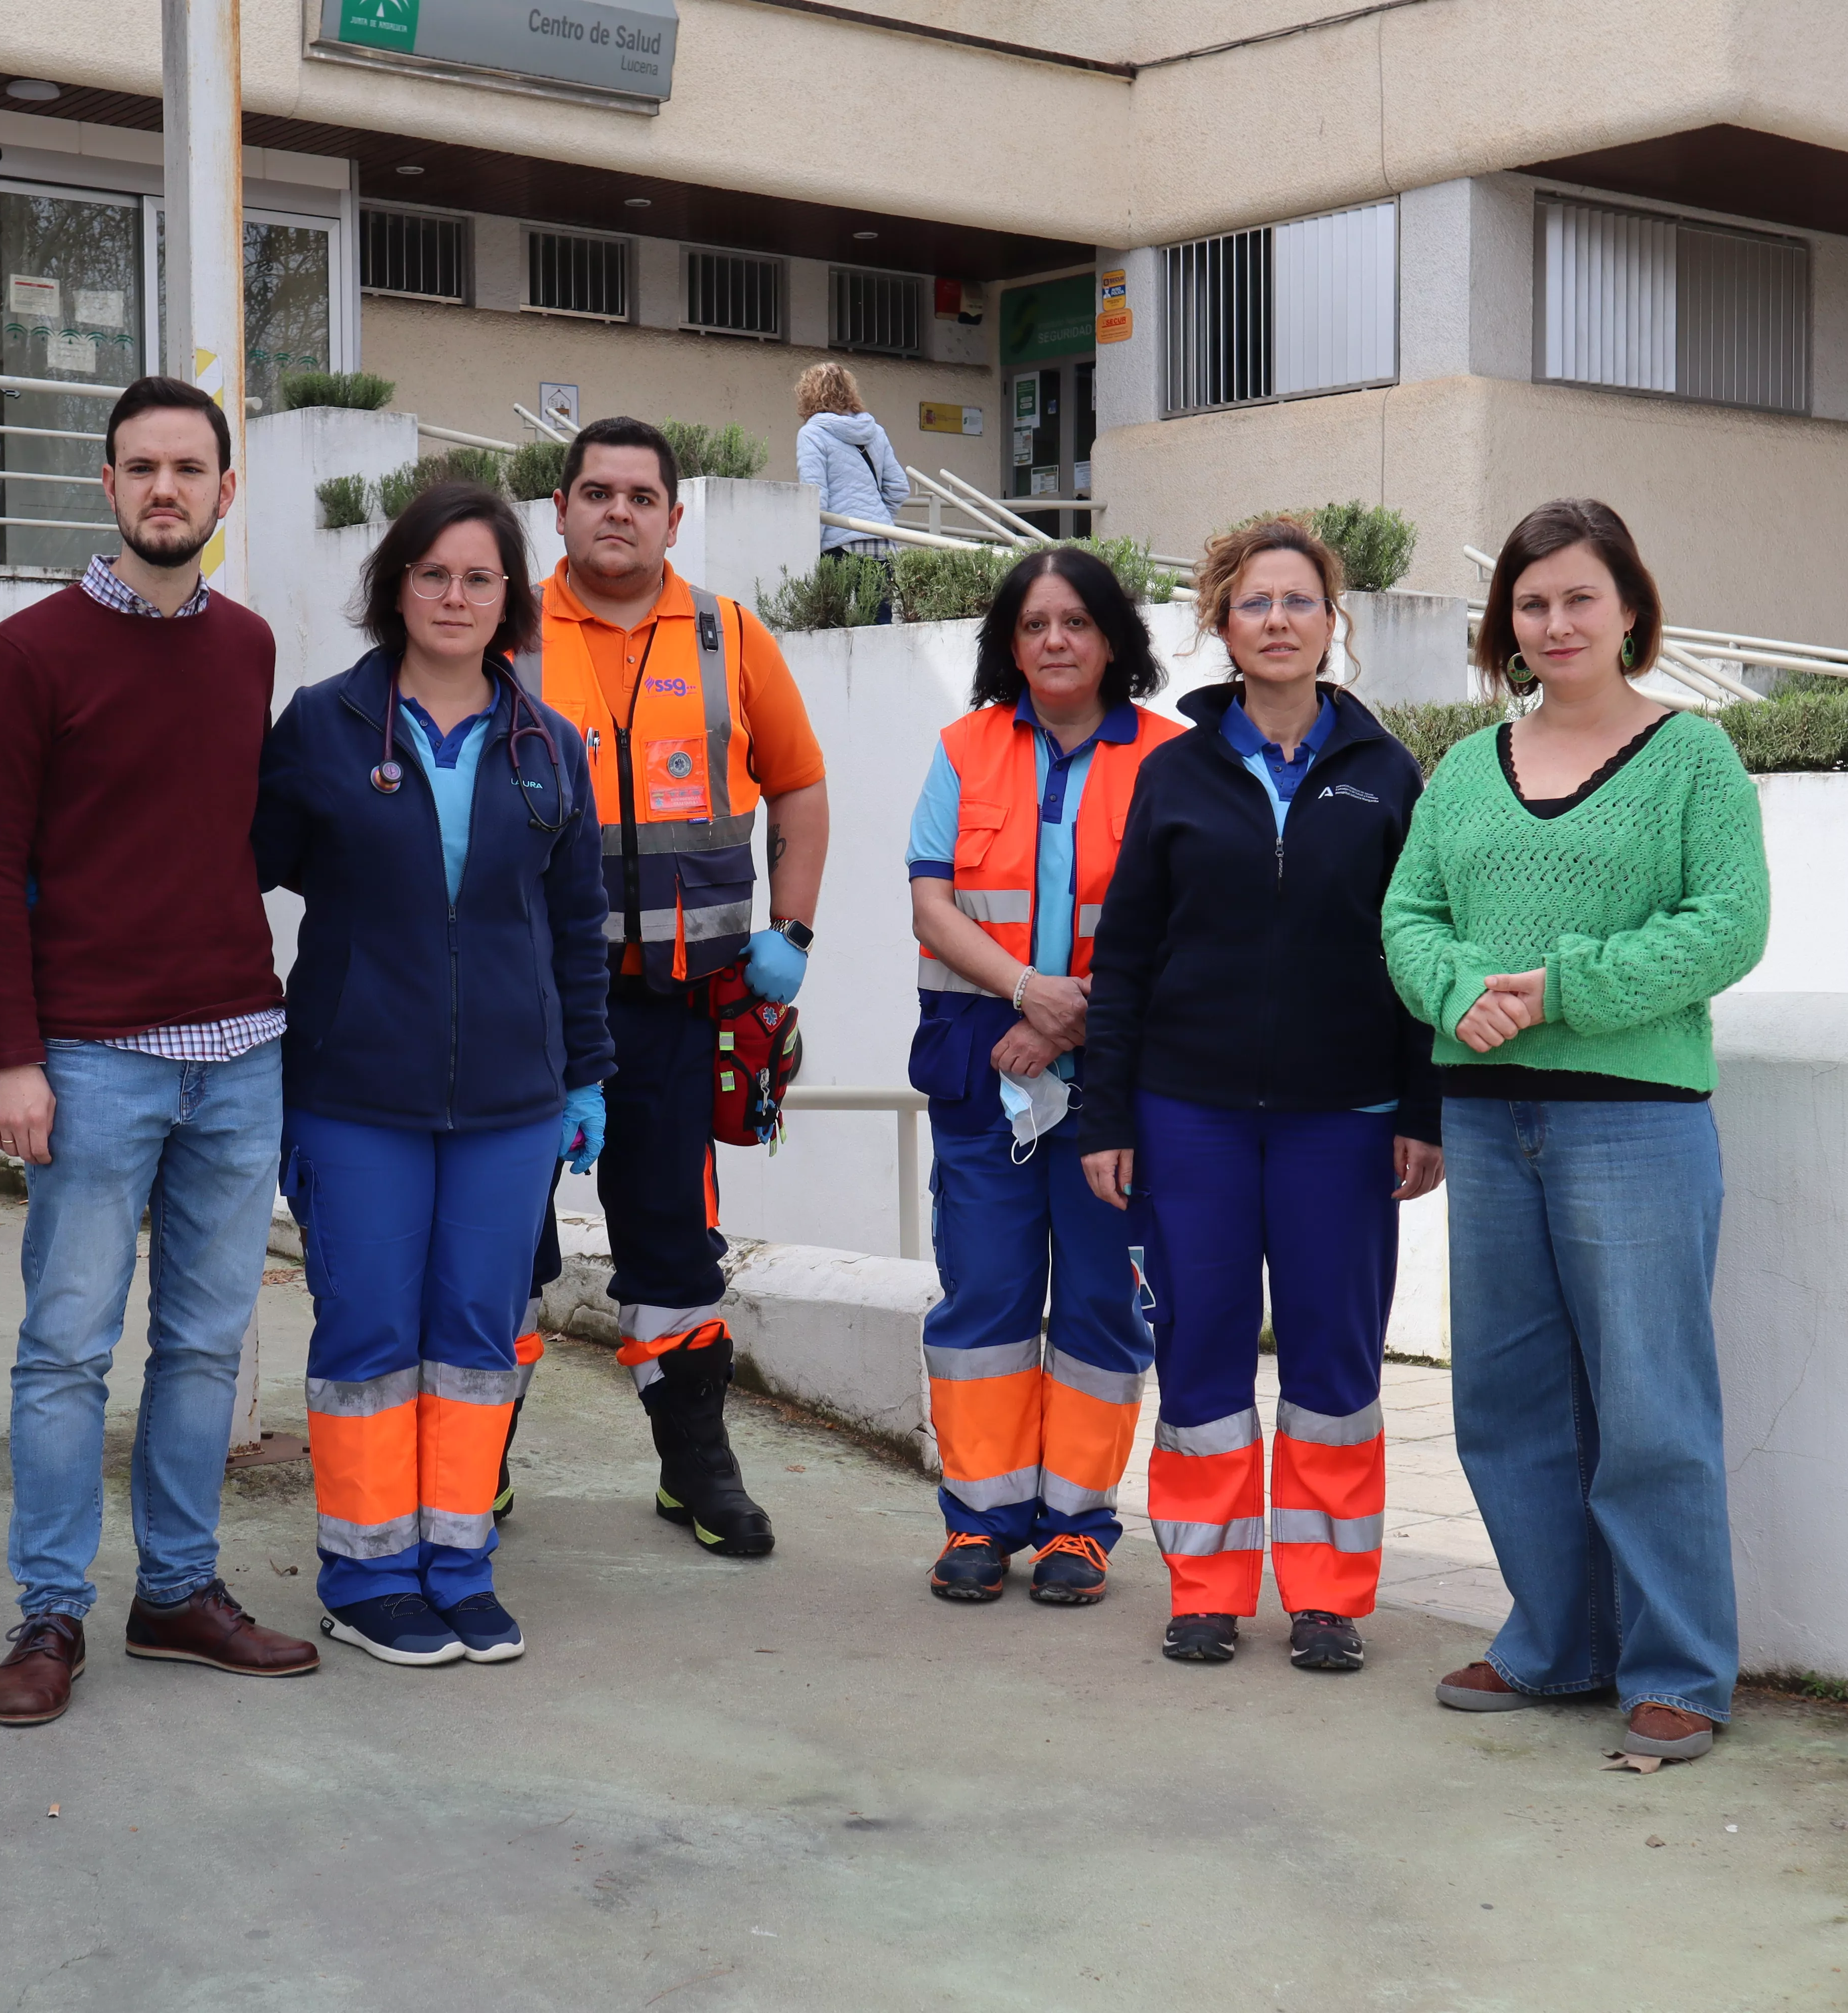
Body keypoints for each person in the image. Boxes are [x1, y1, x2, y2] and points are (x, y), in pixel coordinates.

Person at [1381, 496, 1770, 1762]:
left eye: (1578, 599)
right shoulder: (1462, 769)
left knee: (1650, 1402)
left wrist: (1562, 990)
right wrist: (1456, 992)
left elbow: (1728, 922)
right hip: (1490, 1122)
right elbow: (1409, 916)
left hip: (1634, 1120)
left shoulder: (1694, 757)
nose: (1554, 623)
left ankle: (1678, 1669)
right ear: (1509, 624)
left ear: (1629, 611)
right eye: (1532, 603)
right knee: (1506, 1396)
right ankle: (1554, 1641)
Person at [0, 375, 314, 1729]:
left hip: (240, 1052)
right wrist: (12, 1058)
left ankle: (176, 1596)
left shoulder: (249, 648)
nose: (166, 488)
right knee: (65, 1349)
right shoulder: (28, 654)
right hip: (93, 1059)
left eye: (190, 468)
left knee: (208, 1349)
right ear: (107, 489)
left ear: (227, 494)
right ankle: (49, 1611)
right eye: (141, 467)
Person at [253, 481, 611, 1666]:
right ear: (393, 588)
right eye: (433, 574)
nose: (455, 597)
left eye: (480, 577)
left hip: (512, 1105)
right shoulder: (321, 726)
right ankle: (365, 1572)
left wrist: (585, 1078)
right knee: (366, 1331)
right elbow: (245, 878)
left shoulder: (550, 747)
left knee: (475, 1335)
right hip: (356, 1093)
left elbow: (575, 927)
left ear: (512, 599)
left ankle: (456, 1561)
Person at [1079, 512, 1444, 1672]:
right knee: (1201, 1348)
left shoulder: (1390, 774)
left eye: (1299, 600)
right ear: (1221, 625)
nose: (1278, 620)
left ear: (1334, 620)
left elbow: (1421, 948)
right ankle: (1207, 1585)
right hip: (1189, 1116)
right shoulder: (1173, 774)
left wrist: (1422, 1108)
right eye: (1254, 603)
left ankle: (1330, 1595)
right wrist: (1107, 1114)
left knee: (1337, 1362)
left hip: (1346, 1120)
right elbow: (1125, 955)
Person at [516, 417, 832, 1557]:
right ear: (559, 508)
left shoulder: (728, 634)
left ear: (672, 517)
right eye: (595, 491)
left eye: (639, 496)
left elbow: (798, 787)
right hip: (529, 1010)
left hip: (673, 1010)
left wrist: (789, 928)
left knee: (676, 1248)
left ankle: (696, 1469)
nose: (617, 511)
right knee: (502, 1249)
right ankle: (475, 1469)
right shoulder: (504, 634)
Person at [906, 548, 1179, 1606]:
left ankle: (1078, 1524)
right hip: (986, 1068)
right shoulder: (961, 749)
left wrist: (1071, 1021)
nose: (1055, 640)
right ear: (1007, 644)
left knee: (1105, 1305)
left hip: (1116, 1083)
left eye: (1076, 621)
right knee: (984, 1295)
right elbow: (932, 906)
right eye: (1033, 624)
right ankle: (980, 1519)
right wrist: (1027, 992)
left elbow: (1183, 925)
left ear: (1114, 638)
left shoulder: (1170, 757)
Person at [794, 362, 911, 619]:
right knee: (879, 627)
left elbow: (817, 496)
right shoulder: (875, 432)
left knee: (835, 628)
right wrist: (875, 518)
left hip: (838, 546)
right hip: (880, 541)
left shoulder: (812, 434)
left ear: (808, 394)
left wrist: (809, 545)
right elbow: (899, 488)